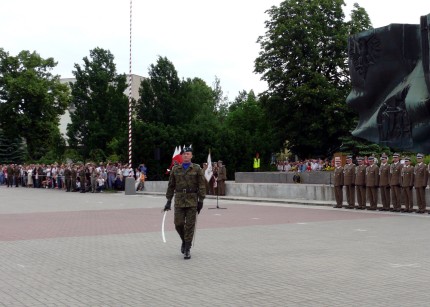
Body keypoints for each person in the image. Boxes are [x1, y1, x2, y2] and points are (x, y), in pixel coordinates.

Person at [164, 147, 206, 260]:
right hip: (179, 200)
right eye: (184, 154)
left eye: (188, 154)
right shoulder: (175, 169)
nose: (186, 156)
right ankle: (184, 240)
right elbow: (171, 185)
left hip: (192, 200)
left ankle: (187, 248)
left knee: (190, 225)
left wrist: (201, 201)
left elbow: (202, 185)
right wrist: (168, 201)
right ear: (182, 156)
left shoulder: (197, 169)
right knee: (178, 223)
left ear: (191, 156)